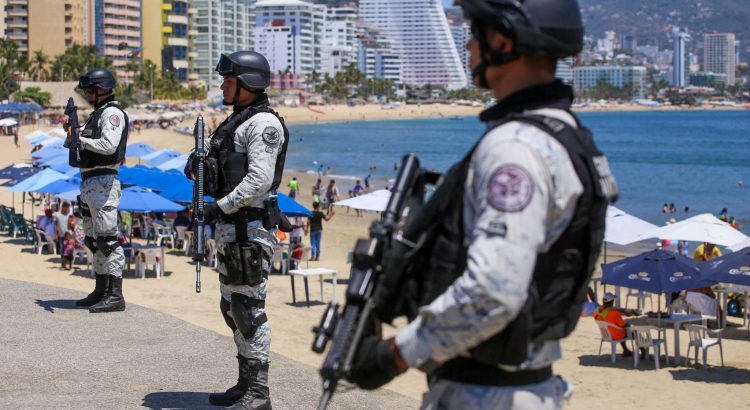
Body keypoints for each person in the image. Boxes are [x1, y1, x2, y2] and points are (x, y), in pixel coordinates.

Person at [344, 1, 618, 407]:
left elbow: (495, 290)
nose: (469, 47)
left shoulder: (515, 148)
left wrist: (396, 354)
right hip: (525, 386)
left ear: (504, 41)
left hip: (486, 394)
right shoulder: (568, 135)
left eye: (476, 34)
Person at [185, 50, 287, 409]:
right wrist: (197, 165)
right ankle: (245, 384)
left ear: (249, 84)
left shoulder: (263, 125)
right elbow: (216, 165)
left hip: (250, 228)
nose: (223, 86)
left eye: (229, 81)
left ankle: (259, 392)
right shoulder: (236, 121)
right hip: (232, 229)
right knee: (231, 307)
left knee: (248, 307)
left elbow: (259, 181)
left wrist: (219, 206)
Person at [64, 68, 128, 313]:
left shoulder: (112, 113)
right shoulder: (97, 114)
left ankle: (115, 294)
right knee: (94, 240)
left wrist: (81, 138)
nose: (88, 94)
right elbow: (81, 146)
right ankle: (101, 290)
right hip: (91, 180)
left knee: (108, 240)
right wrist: (72, 135)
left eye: (91, 89)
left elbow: (108, 144)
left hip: (104, 180)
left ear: (103, 89)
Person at [594, 293, 636, 357]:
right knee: (635, 331)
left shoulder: (596, 310)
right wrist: (629, 325)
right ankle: (643, 352)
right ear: (612, 302)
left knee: (619, 329)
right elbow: (622, 325)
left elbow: (607, 317)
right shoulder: (614, 313)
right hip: (616, 335)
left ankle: (625, 350)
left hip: (605, 335)